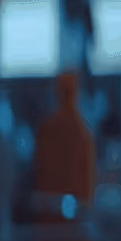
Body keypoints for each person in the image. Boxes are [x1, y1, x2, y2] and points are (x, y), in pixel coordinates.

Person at [33, 72, 96, 208]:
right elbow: (87, 185)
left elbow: (38, 172)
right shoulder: (82, 133)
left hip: (48, 215)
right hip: (76, 216)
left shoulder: (47, 129)